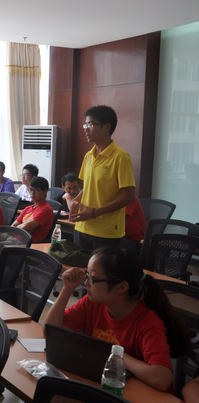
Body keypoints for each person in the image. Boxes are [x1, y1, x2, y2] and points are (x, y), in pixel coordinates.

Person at [44, 246, 189, 392]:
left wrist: (116, 354)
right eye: (87, 274)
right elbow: (50, 331)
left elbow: (162, 379)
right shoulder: (93, 302)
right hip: (106, 383)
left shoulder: (147, 321)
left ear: (121, 287)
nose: (86, 283)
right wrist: (67, 289)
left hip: (138, 393)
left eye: (93, 278)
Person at [68, 106, 136, 250]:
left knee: (100, 266)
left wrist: (94, 213)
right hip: (82, 227)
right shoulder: (88, 156)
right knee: (79, 264)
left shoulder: (121, 157)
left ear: (107, 127)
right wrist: (75, 201)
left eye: (91, 124)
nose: (86, 129)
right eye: (85, 125)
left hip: (106, 232)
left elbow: (129, 197)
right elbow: (88, 188)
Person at [12, 177, 54, 242]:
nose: (32, 193)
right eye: (30, 189)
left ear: (45, 191)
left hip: (26, 243)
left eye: (36, 190)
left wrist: (19, 228)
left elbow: (24, 227)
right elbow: (12, 226)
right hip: (14, 238)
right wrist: (22, 228)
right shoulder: (27, 208)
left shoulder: (46, 209)